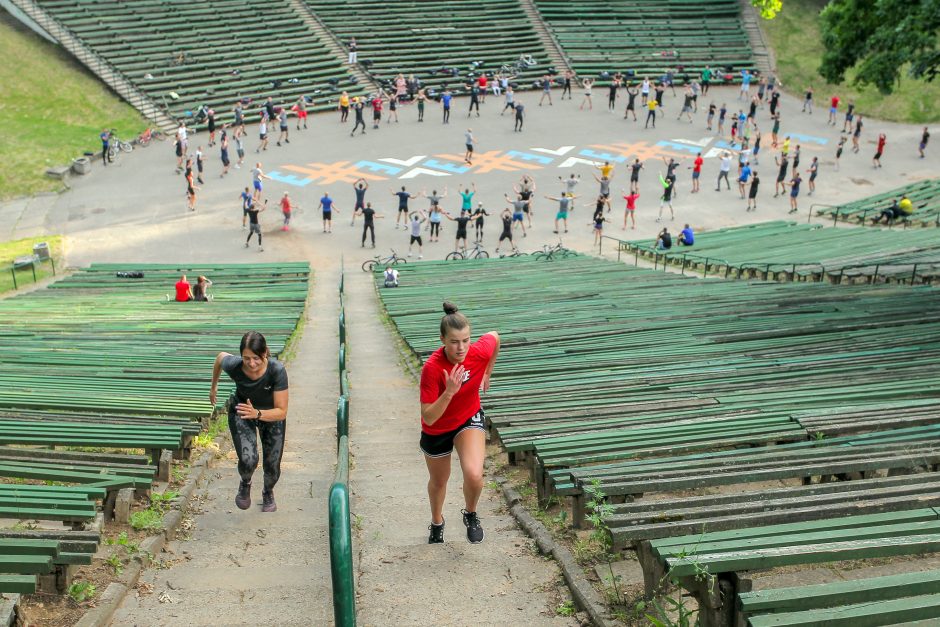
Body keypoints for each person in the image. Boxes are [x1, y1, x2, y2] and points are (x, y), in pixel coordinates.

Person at [420, 303, 500, 544]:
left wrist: (488, 371)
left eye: (466, 340)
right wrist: (449, 392)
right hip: (438, 428)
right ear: (442, 339)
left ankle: (471, 513)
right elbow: (429, 416)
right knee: (439, 481)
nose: (461, 347)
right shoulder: (432, 369)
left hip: (468, 417)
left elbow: (495, 337)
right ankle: (437, 522)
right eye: (454, 341)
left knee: (474, 474)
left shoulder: (478, 352)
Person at [210, 331, 289, 513]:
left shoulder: (276, 371)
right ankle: (245, 482)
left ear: (265, 353)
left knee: (272, 467)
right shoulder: (235, 365)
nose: (251, 364)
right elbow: (220, 357)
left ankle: (268, 491)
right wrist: (213, 387)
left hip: (270, 415)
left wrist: (258, 413)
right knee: (248, 459)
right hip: (243, 412)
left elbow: (281, 411)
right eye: (246, 358)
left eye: (256, 358)